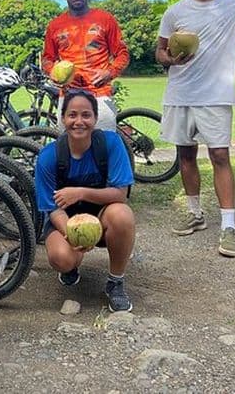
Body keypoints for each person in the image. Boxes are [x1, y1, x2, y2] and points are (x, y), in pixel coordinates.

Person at [155, 0, 235, 258]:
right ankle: (195, 213)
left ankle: (228, 226)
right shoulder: (175, 12)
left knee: (219, 156)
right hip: (180, 93)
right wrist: (170, 59)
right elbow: (159, 52)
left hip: (215, 95)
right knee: (185, 155)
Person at [34, 89, 136, 312]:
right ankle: (71, 266)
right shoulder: (49, 156)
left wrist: (80, 192)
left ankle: (115, 281)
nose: (79, 121)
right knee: (62, 258)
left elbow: (120, 194)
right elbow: (52, 208)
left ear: (95, 119)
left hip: (102, 214)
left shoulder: (110, 144)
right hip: (65, 218)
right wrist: (73, 233)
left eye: (86, 115)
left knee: (122, 215)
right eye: (72, 115)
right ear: (62, 119)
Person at [42, 0, 130, 131]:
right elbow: (47, 59)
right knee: (69, 149)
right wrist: (52, 73)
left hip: (99, 94)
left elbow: (122, 54)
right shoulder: (55, 25)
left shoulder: (105, 19)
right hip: (68, 96)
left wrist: (109, 73)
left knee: (103, 147)